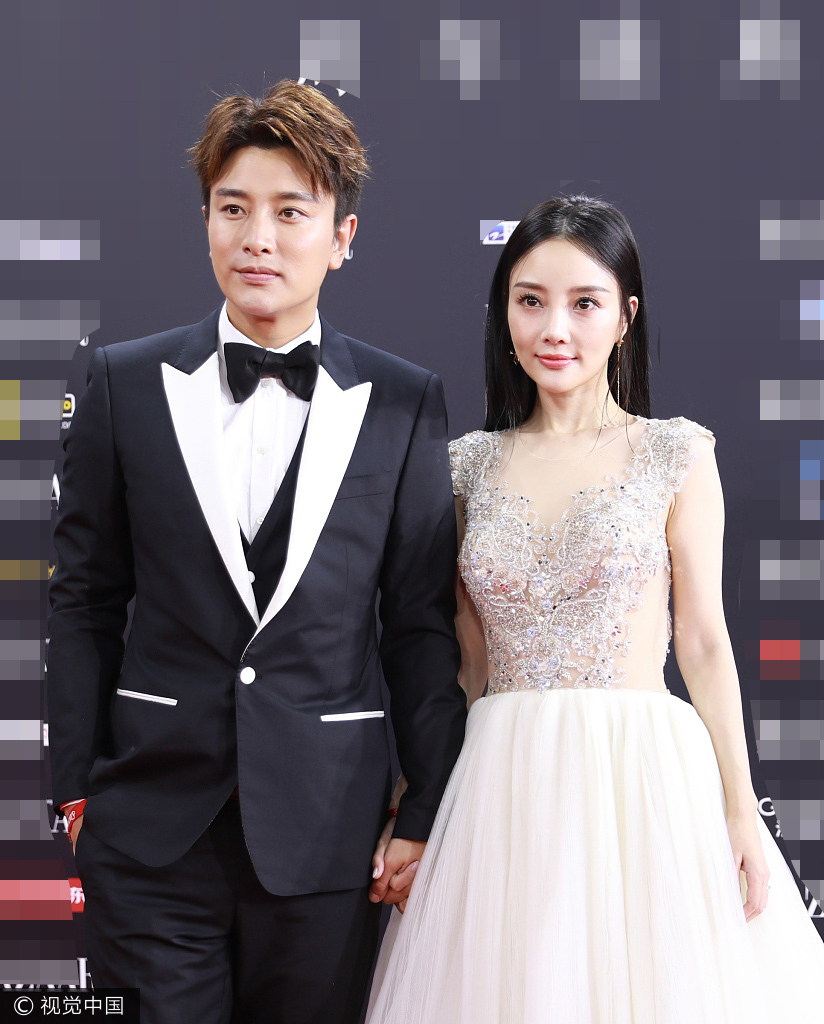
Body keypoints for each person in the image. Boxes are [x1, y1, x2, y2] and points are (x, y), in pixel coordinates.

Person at [47, 80, 467, 1024]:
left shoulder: (403, 403)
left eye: (290, 212)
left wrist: (425, 807)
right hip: (147, 828)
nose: (258, 239)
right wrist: (74, 792)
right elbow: (84, 599)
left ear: (342, 236)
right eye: (233, 209)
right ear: (206, 221)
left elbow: (417, 625)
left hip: (330, 834)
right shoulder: (124, 383)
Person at [366, 196, 824, 1023]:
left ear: (625, 318)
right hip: (498, 789)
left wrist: (738, 808)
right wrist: (417, 801)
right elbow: (462, 665)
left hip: (639, 780)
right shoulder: (464, 468)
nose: (555, 329)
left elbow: (704, 644)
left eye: (584, 303)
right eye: (531, 300)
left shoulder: (675, 452)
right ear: (504, 312)